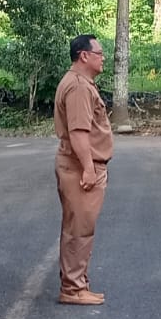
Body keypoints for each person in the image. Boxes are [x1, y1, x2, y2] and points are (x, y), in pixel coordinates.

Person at [54, 33, 112, 305]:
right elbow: (78, 133)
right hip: (79, 167)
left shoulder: (81, 83)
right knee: (79, 229)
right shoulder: (78, 87)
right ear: (84, 56)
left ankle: (77, 284)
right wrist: (89, 169)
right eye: (99, 53)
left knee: (78, 227)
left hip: (79, 165)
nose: (103, 58)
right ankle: (73, 288)